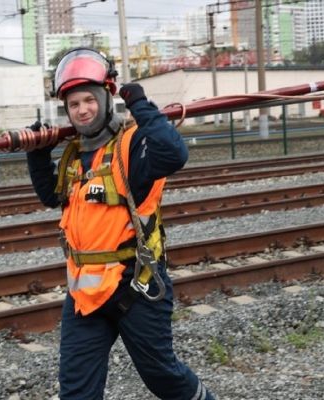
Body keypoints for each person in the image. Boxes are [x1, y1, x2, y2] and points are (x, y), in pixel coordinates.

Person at [26, 48, 214, 400]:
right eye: (73, 105)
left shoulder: (131, 144)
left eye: (89, 100)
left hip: (137, 287)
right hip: (85, 297)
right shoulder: (75, 155)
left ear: (105, 96)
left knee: (162, 375)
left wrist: (140, 104)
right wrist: (37, 154)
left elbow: (174, 154)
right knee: (76, 391)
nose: (82, 110)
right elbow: (53, 197)